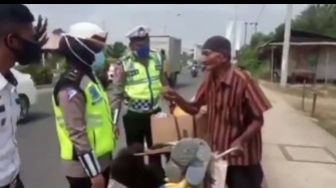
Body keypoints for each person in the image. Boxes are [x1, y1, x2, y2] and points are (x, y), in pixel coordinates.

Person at [164, 36, 272, 188]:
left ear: (222, 57)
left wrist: (241, 140)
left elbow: (258, 120)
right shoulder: (210, 79)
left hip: (243, 158)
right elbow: (195, 108)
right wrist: (177, 99)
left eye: (207, 54)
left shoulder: (243, 80)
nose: (203, 59)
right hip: (219, 155)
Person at [52, 22, 117, 188]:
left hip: (101, 160)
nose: (100, 54)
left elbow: (99, 114)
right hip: (83, 169)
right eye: (96, 49)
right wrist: (94, 173)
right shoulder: (71, 86)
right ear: (81, 48)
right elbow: (77, 133)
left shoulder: (89, 77)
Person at [111, 25, 168, 178]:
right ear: (131, 45)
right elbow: (116, 94)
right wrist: (114, 122)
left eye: (145, 43)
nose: (142, 47)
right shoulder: (124, 63)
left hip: (155, 114)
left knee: (156, 152)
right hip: (134, 116)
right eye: (138, 44)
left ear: (149, 41)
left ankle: (157, 180)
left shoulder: (157, 57)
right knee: (135, 155)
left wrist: (173, 104)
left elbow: (164, 83)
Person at [0, 4, 47, 188]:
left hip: (14, 180)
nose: (36, 45)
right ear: (12, 40)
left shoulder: (9, 83)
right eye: (31, 39)